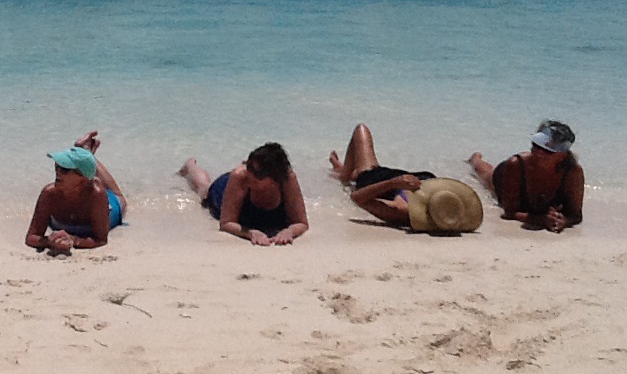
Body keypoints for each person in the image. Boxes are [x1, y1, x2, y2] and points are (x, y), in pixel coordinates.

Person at [329, 124, 482, 233]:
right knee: (360, 164)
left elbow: (357, 198)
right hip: (401, 176)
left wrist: (393, 183)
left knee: (361, 130)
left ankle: (343, 175)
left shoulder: (403, 212)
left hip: (375, 179)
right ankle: (344, 170)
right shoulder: (451, 207)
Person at [179, 142, 309, 246]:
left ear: (275, 179)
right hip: (227, 189)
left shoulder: (287, 179)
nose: (250, 175)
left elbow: (301, 222)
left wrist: (289, 232)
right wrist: (250, 233)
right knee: (204, 191)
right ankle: (190, 167)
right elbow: (226, 222)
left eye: (258, 174)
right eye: (249, 166)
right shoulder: (241, 175)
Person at [468, 120, 583, 233]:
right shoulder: (516, 165)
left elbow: (576, 215)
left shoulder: (573, 172)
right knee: (484, 173)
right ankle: (475, 158)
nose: (539, 152)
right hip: (505, 176)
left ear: (563, 155)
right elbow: (509, 212)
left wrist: (564, 221)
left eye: (548, 151)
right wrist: (542, 220)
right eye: (536, 145)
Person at [25, 131, 127, 255]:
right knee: (87, 169)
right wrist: (49, 241)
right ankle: (84, 154)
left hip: (106, 211)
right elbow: (31, 237)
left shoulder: (96, 195)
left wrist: (73, 240)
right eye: (57, 165)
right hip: (87, 183)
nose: (58, 171)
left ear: (83, 178)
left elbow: (100, 240)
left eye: (65, 169)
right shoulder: (49, 193)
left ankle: (87, 155)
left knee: (120, 198)